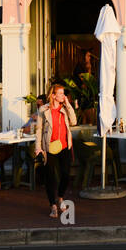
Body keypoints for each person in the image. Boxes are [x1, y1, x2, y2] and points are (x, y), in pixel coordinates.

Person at [34, 81, 77, 219]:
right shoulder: (44, 110)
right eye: (60, 93)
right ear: (53, 95)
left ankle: (60, 197)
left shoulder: (64, 108)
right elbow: (39, 129)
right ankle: (53, 205)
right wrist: (38, 148)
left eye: (63, 93)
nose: (63, 96)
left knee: (65, 174)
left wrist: (68, 104)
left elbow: (74, 121)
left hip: (64, 145)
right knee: (51, 177)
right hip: (49, 146)